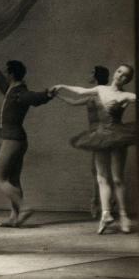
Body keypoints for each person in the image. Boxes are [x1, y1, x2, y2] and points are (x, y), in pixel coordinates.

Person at [53, 64, 136, 234]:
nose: (120, 76)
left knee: (117, 178)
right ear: (115, 72)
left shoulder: (126, 95)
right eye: (119, 71)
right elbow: (80, 92)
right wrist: (62, 87)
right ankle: (105, 214)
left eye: (125, 76)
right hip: (99, 136)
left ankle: (123, 215)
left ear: (128, 80)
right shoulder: (100, 89)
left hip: (117, 134)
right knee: (101, 176)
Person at [0, 60, 53, 228]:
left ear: (12, 74)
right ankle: (14, 217)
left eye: (6, 73)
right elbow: (3, 86)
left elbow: (35, 98)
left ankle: (24, 208)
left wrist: (48, 94)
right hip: (17, 139)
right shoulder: (12, 90)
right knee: (14, 180)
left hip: (12, 139)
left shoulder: (19, 92)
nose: (5, 76)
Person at [55, 66, 110, 218]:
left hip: (104, 134)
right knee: (97, 170)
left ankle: (99, 203)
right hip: (96, 134)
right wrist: (58, 96)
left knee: (101, 171)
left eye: (92, 72)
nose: (89, 74)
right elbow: (74, 101)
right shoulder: (93, 94)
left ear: (97, 75)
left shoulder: (103, 92)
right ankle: (99, 202)